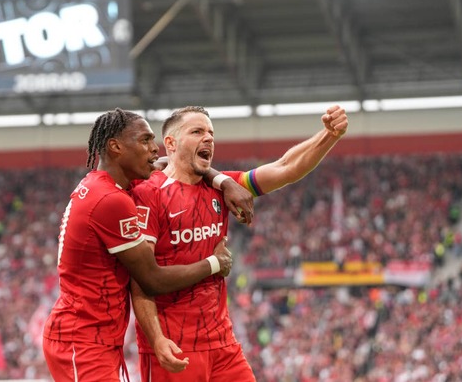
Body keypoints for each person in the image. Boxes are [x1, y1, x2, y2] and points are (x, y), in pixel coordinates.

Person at [130, 104, 348, 381]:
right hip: (174, 346)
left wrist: (329, 135)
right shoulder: (147, 193)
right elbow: (140, 279)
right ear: (170, 143)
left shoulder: (223, 188)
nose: (208, 138)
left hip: (223, 345)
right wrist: (156, 340)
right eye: (197, 131)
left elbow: (286, 167)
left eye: (210, 133)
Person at [42, 108, 252, 382]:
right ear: (116, 147)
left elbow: (169, 162)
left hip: (99, 338)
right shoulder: (111, 200)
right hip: (82, 339)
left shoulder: (103, 184)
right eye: (144, 141)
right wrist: (215, 263)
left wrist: (222, 180)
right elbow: (151, 280)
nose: (154, 150)